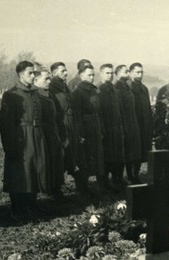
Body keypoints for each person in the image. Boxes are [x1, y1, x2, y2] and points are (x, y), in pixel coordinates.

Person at [0, 61, 47, 215]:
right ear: (20, 75)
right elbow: (5, 123)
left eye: (34, 73)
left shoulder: (36, 93)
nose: (33, 76)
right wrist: (9, 145)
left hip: (36, 136)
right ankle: (19, 207)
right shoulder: (11, 94)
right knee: (20, 171)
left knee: (35, 168)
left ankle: (31, 203)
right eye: (29, 73)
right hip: (21, 138)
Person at [70, 64, 104, 200]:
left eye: (93, 75)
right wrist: (80, 134)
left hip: (95, 126)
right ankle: (81, 186)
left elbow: (98, 110)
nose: (91, 77)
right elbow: (77, 115)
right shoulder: (78, 92)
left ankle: (90, 185)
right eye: (89, 75)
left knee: (94, 156)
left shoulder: (94, 91)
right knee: (84, 156)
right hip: (85, 128)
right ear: (81, 75)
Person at [34, 69, 64, 199]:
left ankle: (55, 187)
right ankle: (45, 190)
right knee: (45, 162)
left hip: (53, 132)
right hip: (43, 134)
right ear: (36, 80)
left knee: (55, 160)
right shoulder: (36, 95)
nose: (49, 81)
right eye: (46, 79)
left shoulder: (49, 94)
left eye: (50, 79)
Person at [98, 64, 125, 191]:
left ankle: (117, 178)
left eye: (111, 73)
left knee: (117, 155)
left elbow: (119, 110)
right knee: (106, 156)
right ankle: (104, 182)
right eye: (107, 73)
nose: (110, 75)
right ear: (101, 74)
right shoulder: (98, 90)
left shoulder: (115, 90)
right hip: (105, 128)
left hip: (116, 128)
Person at [114, 64, 141, 185]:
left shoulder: (127, 86)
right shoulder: (117, 88)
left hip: (132, 122)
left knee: (134, 151)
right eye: (125, 72)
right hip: (125, 123)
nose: (127, 74)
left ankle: (134, 175)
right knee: (128, 151)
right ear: (118, 73)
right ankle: (129, 176)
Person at [49, 62, 75, 181]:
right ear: (54, 73)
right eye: (62, 71)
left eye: (66, 70)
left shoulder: (65, 87)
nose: (66, 73)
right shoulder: (52, 88)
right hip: (60, 124)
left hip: (69, 124)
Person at [129, 62, 153, 184]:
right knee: (132, 150)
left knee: (141, 150)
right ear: (131, 73)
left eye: (141, 72)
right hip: (133, 124)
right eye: (137, 72)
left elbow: (148, 107)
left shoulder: (144, 89)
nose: (140, 75)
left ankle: (135, 174)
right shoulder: (128, 87)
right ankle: (129, 175)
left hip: (143, 124)